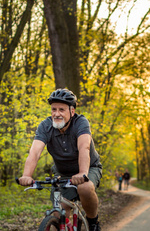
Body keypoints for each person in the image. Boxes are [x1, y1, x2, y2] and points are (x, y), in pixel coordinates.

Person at [18, 88, 102, 231]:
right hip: (62, 173)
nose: (57, 114)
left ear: (72, 111)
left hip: (88, 168)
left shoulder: (81, 123)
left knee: (85, 187)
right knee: (59, 214)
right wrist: (26, 175)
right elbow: (34, 152)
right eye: (54, 109)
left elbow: (84, 148)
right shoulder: (45, 126)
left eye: (61, 110)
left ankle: (93, 222)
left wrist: (82, 173)